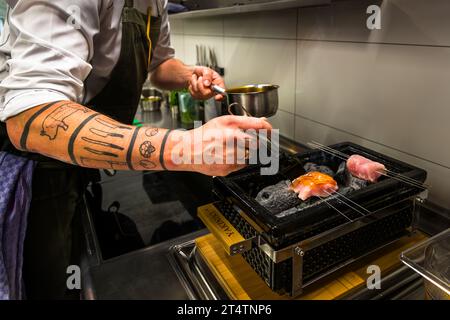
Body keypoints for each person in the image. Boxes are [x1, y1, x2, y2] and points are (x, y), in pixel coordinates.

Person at [0, 0, 272, 299]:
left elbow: (159, 65)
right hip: (34, 169)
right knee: (45, 284)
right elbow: (32, 116)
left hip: (80, 160)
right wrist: (187, 147)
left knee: (74, 269)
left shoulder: (157, 2)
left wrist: (191, 75)